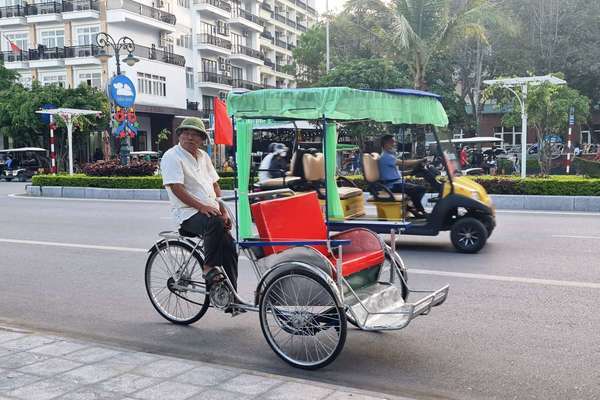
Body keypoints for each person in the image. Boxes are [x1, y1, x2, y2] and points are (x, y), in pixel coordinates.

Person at [160, 117, 238, 299]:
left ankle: (229, 296)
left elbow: (215, 184)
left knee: (230, 246)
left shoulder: (204, 156)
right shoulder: (172, 156)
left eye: (195, 135)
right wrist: (201, 207)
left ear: (202, 139)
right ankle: (208, 267)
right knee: (214, 222)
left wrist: (224, 210)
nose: (190, 138)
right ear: (179, 135)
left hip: (211, 211)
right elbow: (176, 188)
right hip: (188, 214)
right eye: (186, 133)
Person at [379, 135, 427, 216]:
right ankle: (417, 209)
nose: (395, 144)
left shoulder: (388, 156)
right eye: (392, 142)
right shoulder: (386, 157)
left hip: (396, 183)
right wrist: (421, 160)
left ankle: (411, 207)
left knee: (418, 189)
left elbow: (398, 173)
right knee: (420, 189)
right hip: (392, 186)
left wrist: (413, 171)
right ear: (386, 143)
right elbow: (404, 163)